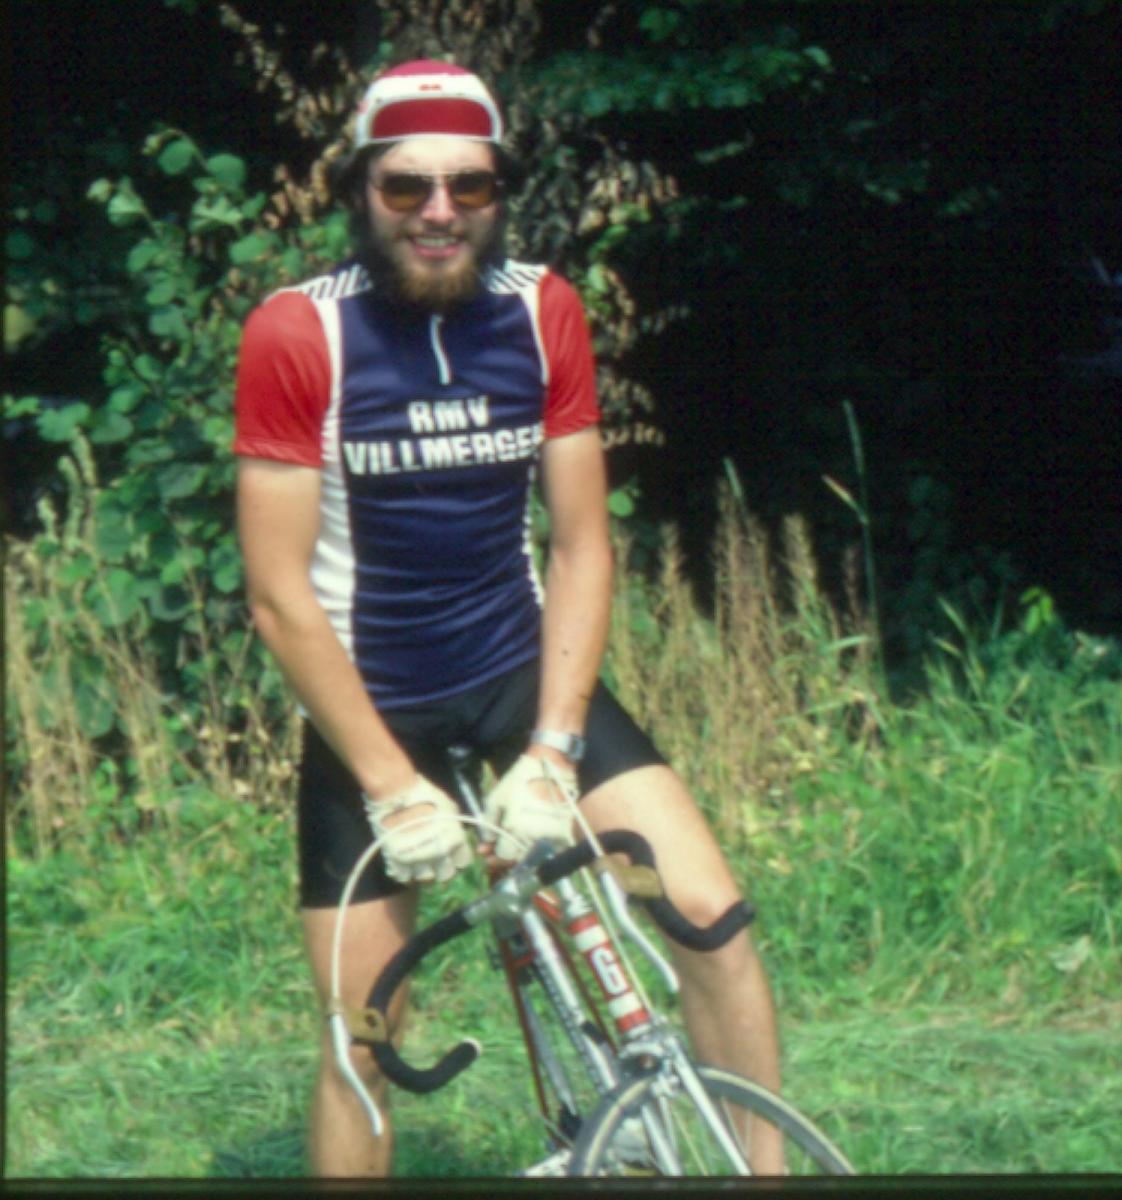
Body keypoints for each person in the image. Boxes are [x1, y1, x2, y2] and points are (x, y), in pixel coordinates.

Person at [233, 58, 783, 1177]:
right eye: (407, 185)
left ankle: (763, 1173)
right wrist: (391, 786)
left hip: (518, 675)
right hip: (371, 703)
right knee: (362, 1039)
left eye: (469, 185)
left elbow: (581, 544)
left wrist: (554, 749)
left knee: (711, 919)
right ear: (361, 191)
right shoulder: (298, 333)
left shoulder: (543, 308)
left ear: (497, 194)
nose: (439, 211)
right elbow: (278, 596)